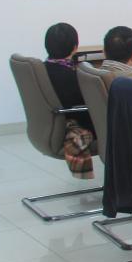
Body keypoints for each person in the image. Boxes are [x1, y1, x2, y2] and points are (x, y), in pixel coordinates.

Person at [43, 22, 95, 178]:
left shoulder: (41, 70)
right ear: (75, 47)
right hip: (78, 122)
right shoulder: (73, 77)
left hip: (50, 126)